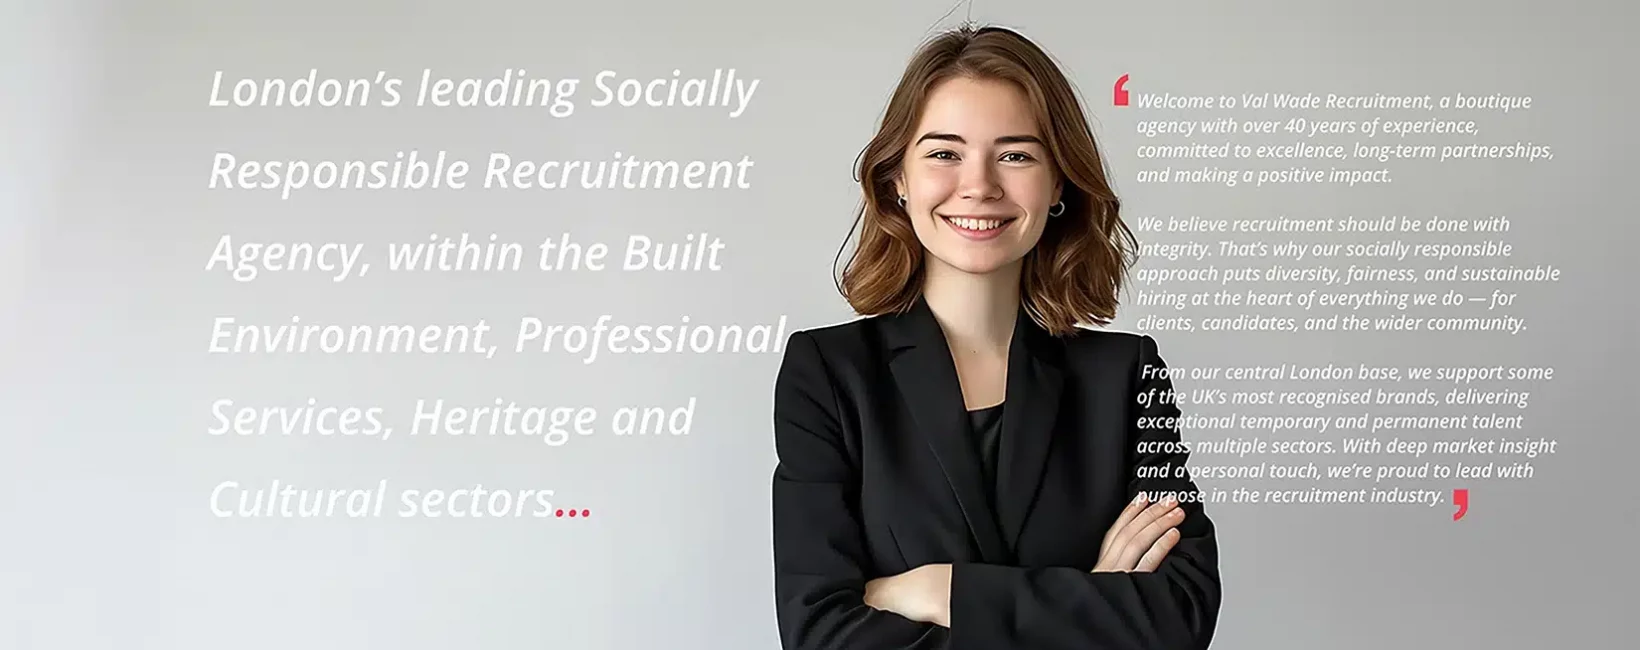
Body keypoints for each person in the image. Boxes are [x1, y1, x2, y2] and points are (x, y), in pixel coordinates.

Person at [769, 24, 1222, 650]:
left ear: (1058, 182)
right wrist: (1089, 597)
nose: (979, 185)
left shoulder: (1126, 374)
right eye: (943, 153)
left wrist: (940, 591)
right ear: (898, 177)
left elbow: (1179, 616)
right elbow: (820, 632)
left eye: (1016, 154)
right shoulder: (827, 373)